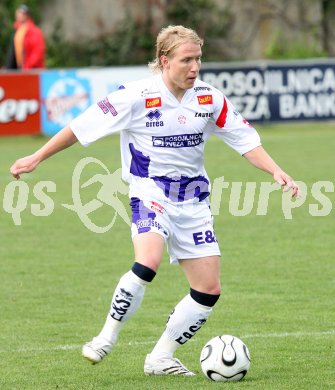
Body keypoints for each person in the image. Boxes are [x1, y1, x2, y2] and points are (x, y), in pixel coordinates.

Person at [10, 25, 300, 376]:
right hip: (149, 192)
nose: (194, 68)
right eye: (186, 60)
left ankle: (160, 357)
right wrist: (37, 157)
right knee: (148, 260)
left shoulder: (209, 99)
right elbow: (80, 127)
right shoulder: (134, 95)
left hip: (193, 202)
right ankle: (105, 337)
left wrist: (275, 171)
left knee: (208, 289)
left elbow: (245, 140)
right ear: (165, 61)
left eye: (198, 60)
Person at [10, 4, 46, 70]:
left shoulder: (34, 31)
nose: (19, 15)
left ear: (27, 16)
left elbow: (37, 52)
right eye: (18, 13)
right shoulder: (17, 31)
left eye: (22, 14)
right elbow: (13, 52)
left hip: (32, 70)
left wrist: (28, 66)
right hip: (20, 69)